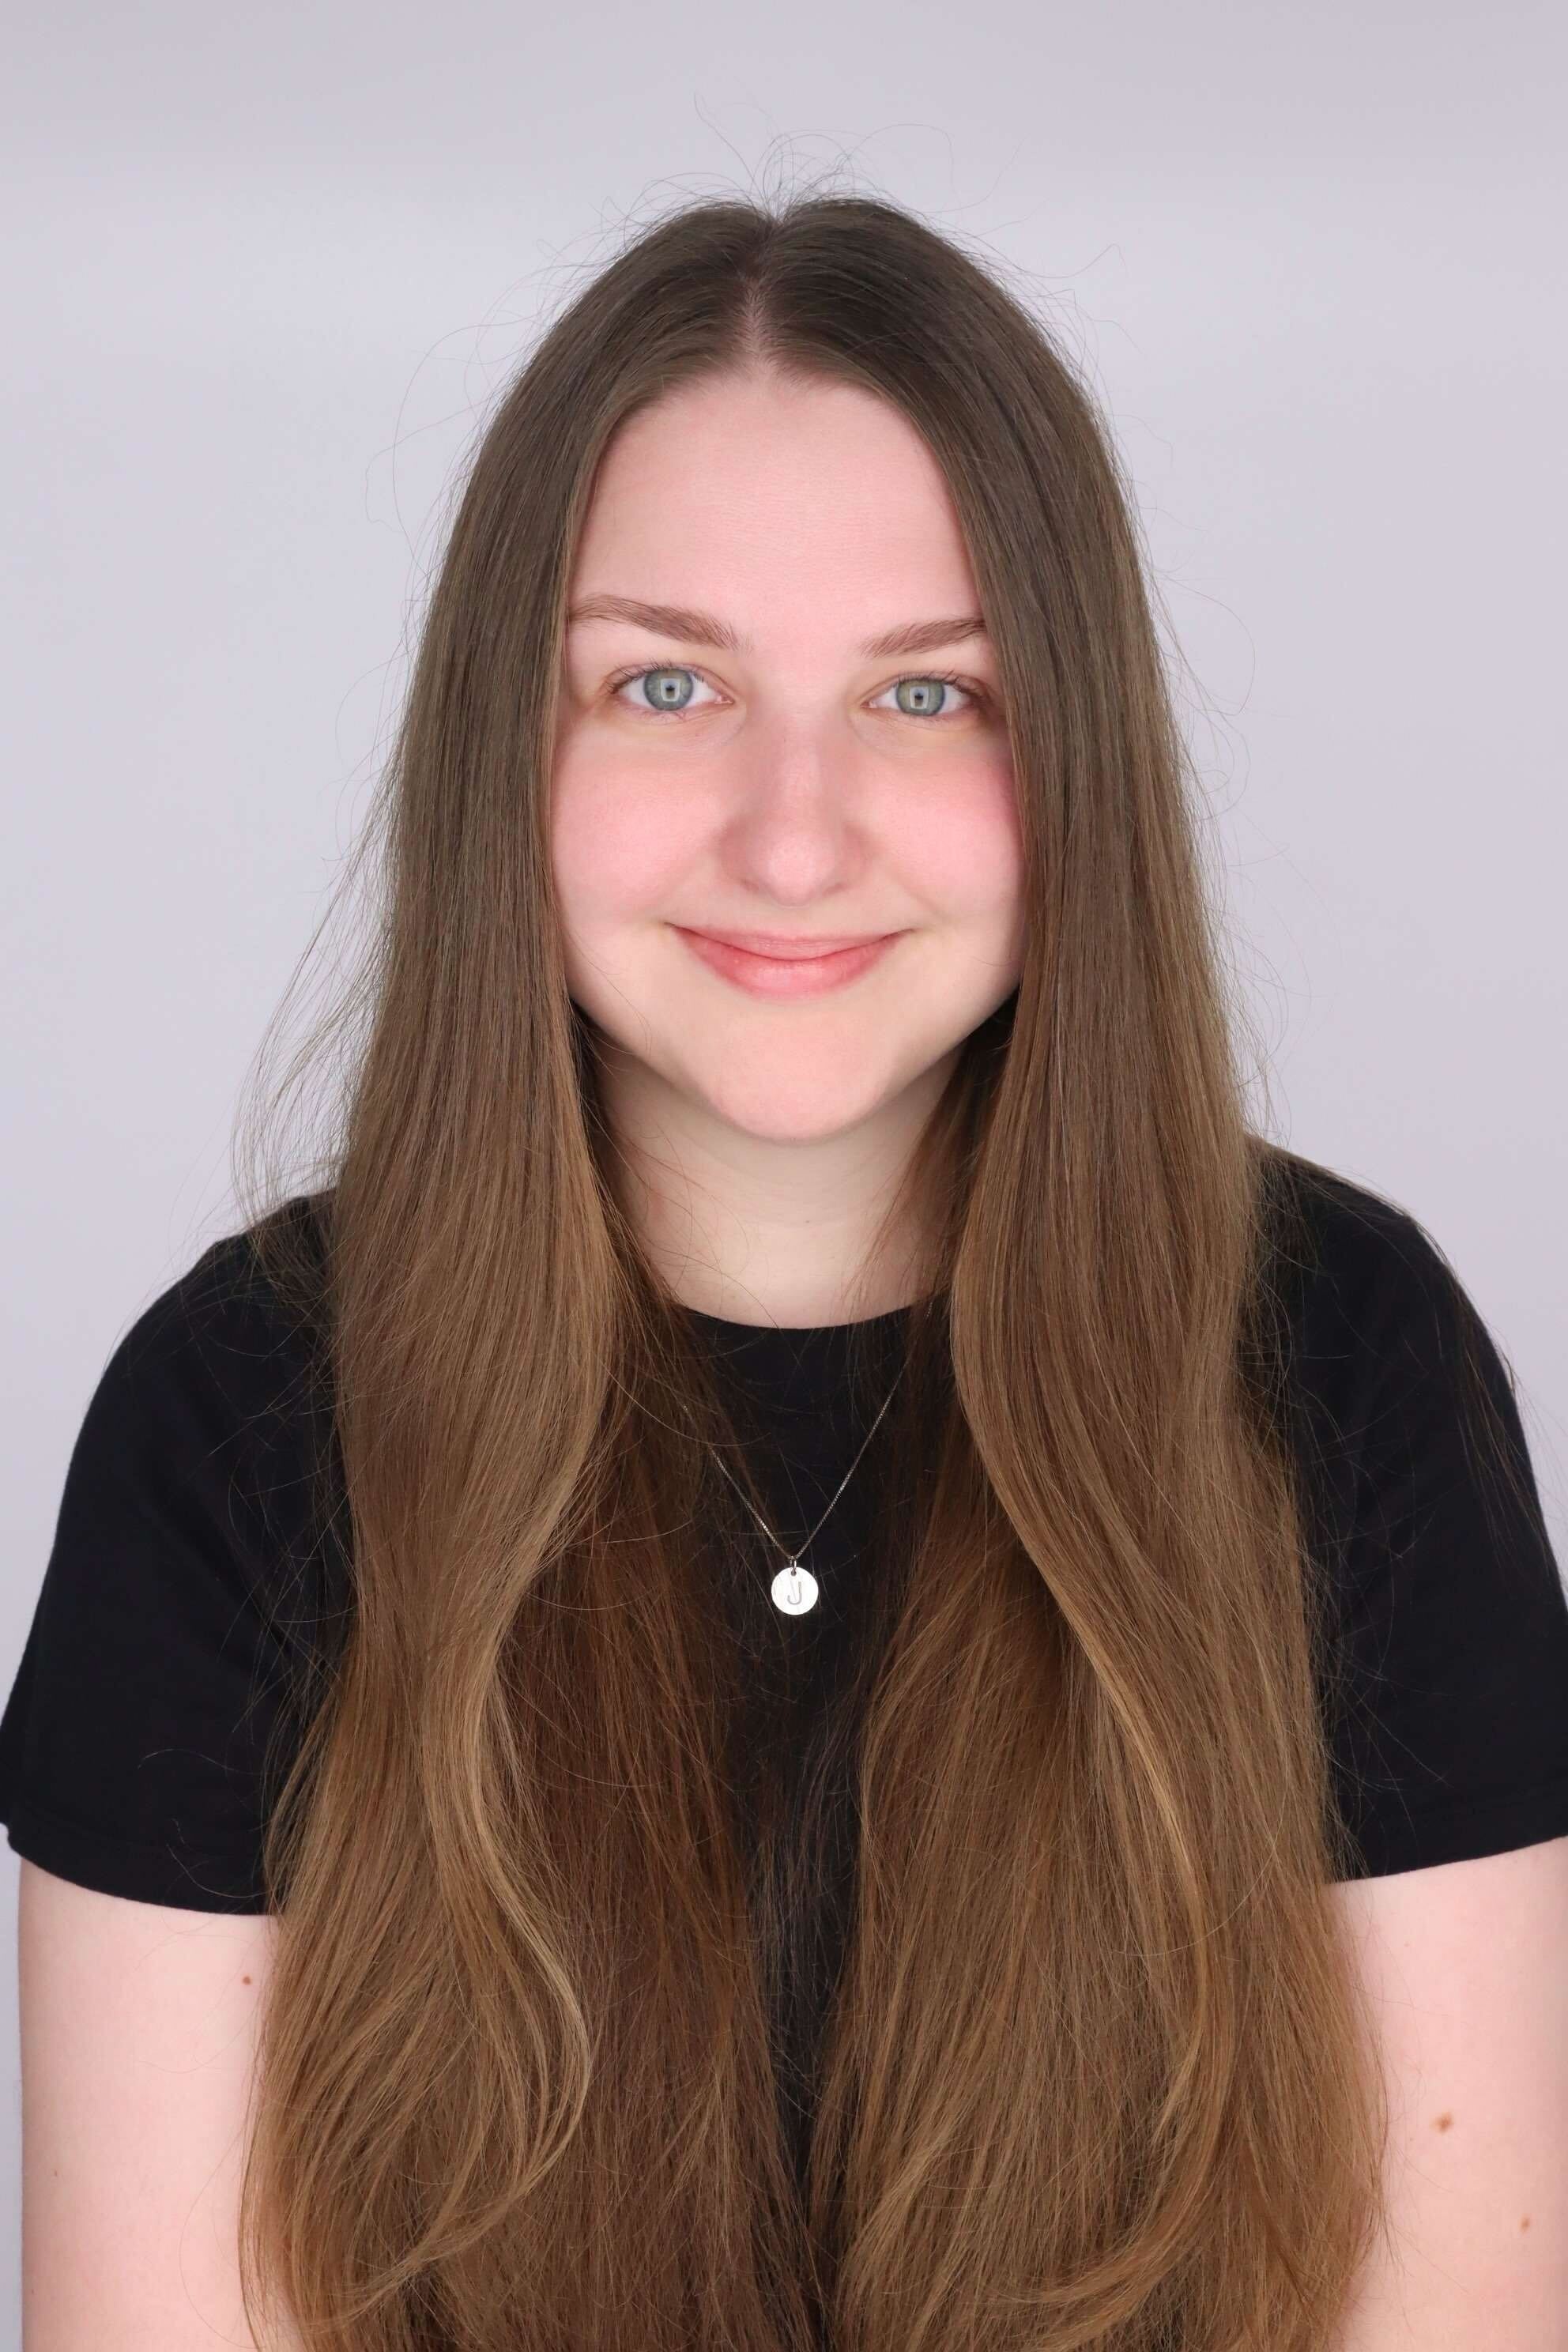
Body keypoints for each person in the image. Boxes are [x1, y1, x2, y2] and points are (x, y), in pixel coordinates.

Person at [5, 190, 1567, 2352]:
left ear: (1073, 762)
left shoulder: (1342, 1361)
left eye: (930, 693)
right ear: (505, 753)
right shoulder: (238, 1420)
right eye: (665, 684)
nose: (796, 831)